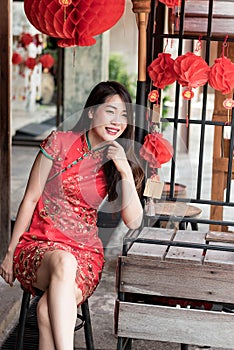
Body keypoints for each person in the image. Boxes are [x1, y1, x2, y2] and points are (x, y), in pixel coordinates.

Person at [0, 81, 144, 350]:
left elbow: (134, 221)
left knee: (45, 312)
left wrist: (124, 169)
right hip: (38, 247)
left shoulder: (116, 161)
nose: (117, 121)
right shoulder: (59, 142)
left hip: (86, 255)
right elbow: (30, 197)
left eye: (124, 115)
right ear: (91, 111)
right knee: (64, 263)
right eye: (110, 111)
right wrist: (10, 252)